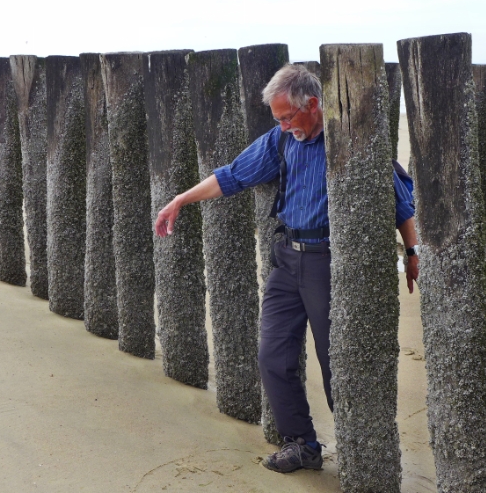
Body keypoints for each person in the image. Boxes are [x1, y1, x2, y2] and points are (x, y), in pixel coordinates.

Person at [154, 64, 419, 473]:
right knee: (273, 357)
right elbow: (232, 176)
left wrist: (413, 252)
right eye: (277, 119)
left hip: (332, 264)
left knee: (338, 364)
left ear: (312, 104)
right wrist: (180, 200)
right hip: (287, 258)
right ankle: (302, 444)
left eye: (287, 117)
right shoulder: (281, 139)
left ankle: (360, 454)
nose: (282, 125)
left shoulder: (349, 138)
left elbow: (401, 200)